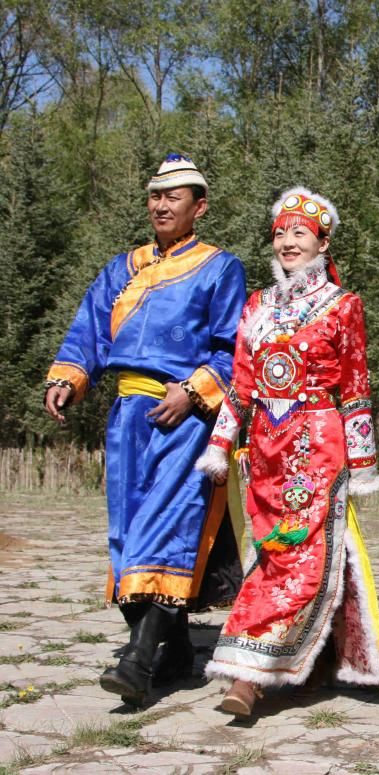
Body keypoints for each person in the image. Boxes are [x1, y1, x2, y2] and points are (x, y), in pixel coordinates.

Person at [44, 154, 247, 705]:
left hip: (185, 417)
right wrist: (69, 377)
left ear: (198, 207)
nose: (161, 205)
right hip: (128, 417)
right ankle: (175, 650)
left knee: (166, 525)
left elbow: (234, 348)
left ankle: (136, 662)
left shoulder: (220, 267)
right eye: (155, 196)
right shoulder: (122, 268)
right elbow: (89, 329)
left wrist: (194, 391)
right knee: (127, 533)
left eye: (173, 197)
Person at [196, 188, 379, 717]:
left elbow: (354, 388)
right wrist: (219, 445)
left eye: (299, 233)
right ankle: (316, 660)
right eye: (280, 233)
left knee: (300, 556)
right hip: (263, 449)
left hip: (317, 447)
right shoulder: (257, 306)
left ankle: (248, 675)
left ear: (322, 243)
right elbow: (241, 386)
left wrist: (362, 464)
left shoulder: (343, 306)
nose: (287, 242)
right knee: (270, 552)